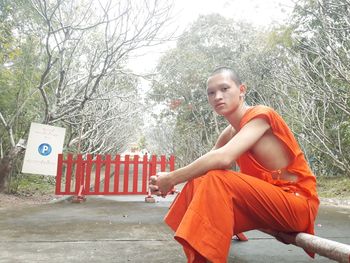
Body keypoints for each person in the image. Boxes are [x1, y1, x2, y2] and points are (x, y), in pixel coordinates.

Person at [149, 67, 319, 263]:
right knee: (200, 182)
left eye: (224, 89)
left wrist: (171, 179)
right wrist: (167, 179)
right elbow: (209, 161)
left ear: (242, 90)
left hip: (296, 205)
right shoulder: (230, 132)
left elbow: (223, 158)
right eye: (211, 93)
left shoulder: (261, 116)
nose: (217, 96)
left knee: (217, 179)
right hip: (266, 205)